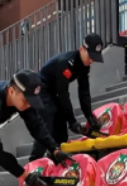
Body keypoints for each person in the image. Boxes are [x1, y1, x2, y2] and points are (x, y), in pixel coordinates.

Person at [29, 33, 105, 162]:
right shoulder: (66, 63)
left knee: (61, 130)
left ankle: (55, 160)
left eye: (94, 58)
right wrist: (72, 121)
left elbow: (84, 92)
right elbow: (63, 93)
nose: (91, 61)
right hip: (42, 89)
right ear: (82, 49)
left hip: (55, 91)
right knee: (48, 121)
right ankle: (33, 162)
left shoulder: (84, 66)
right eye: (90, 56)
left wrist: (89, 116)